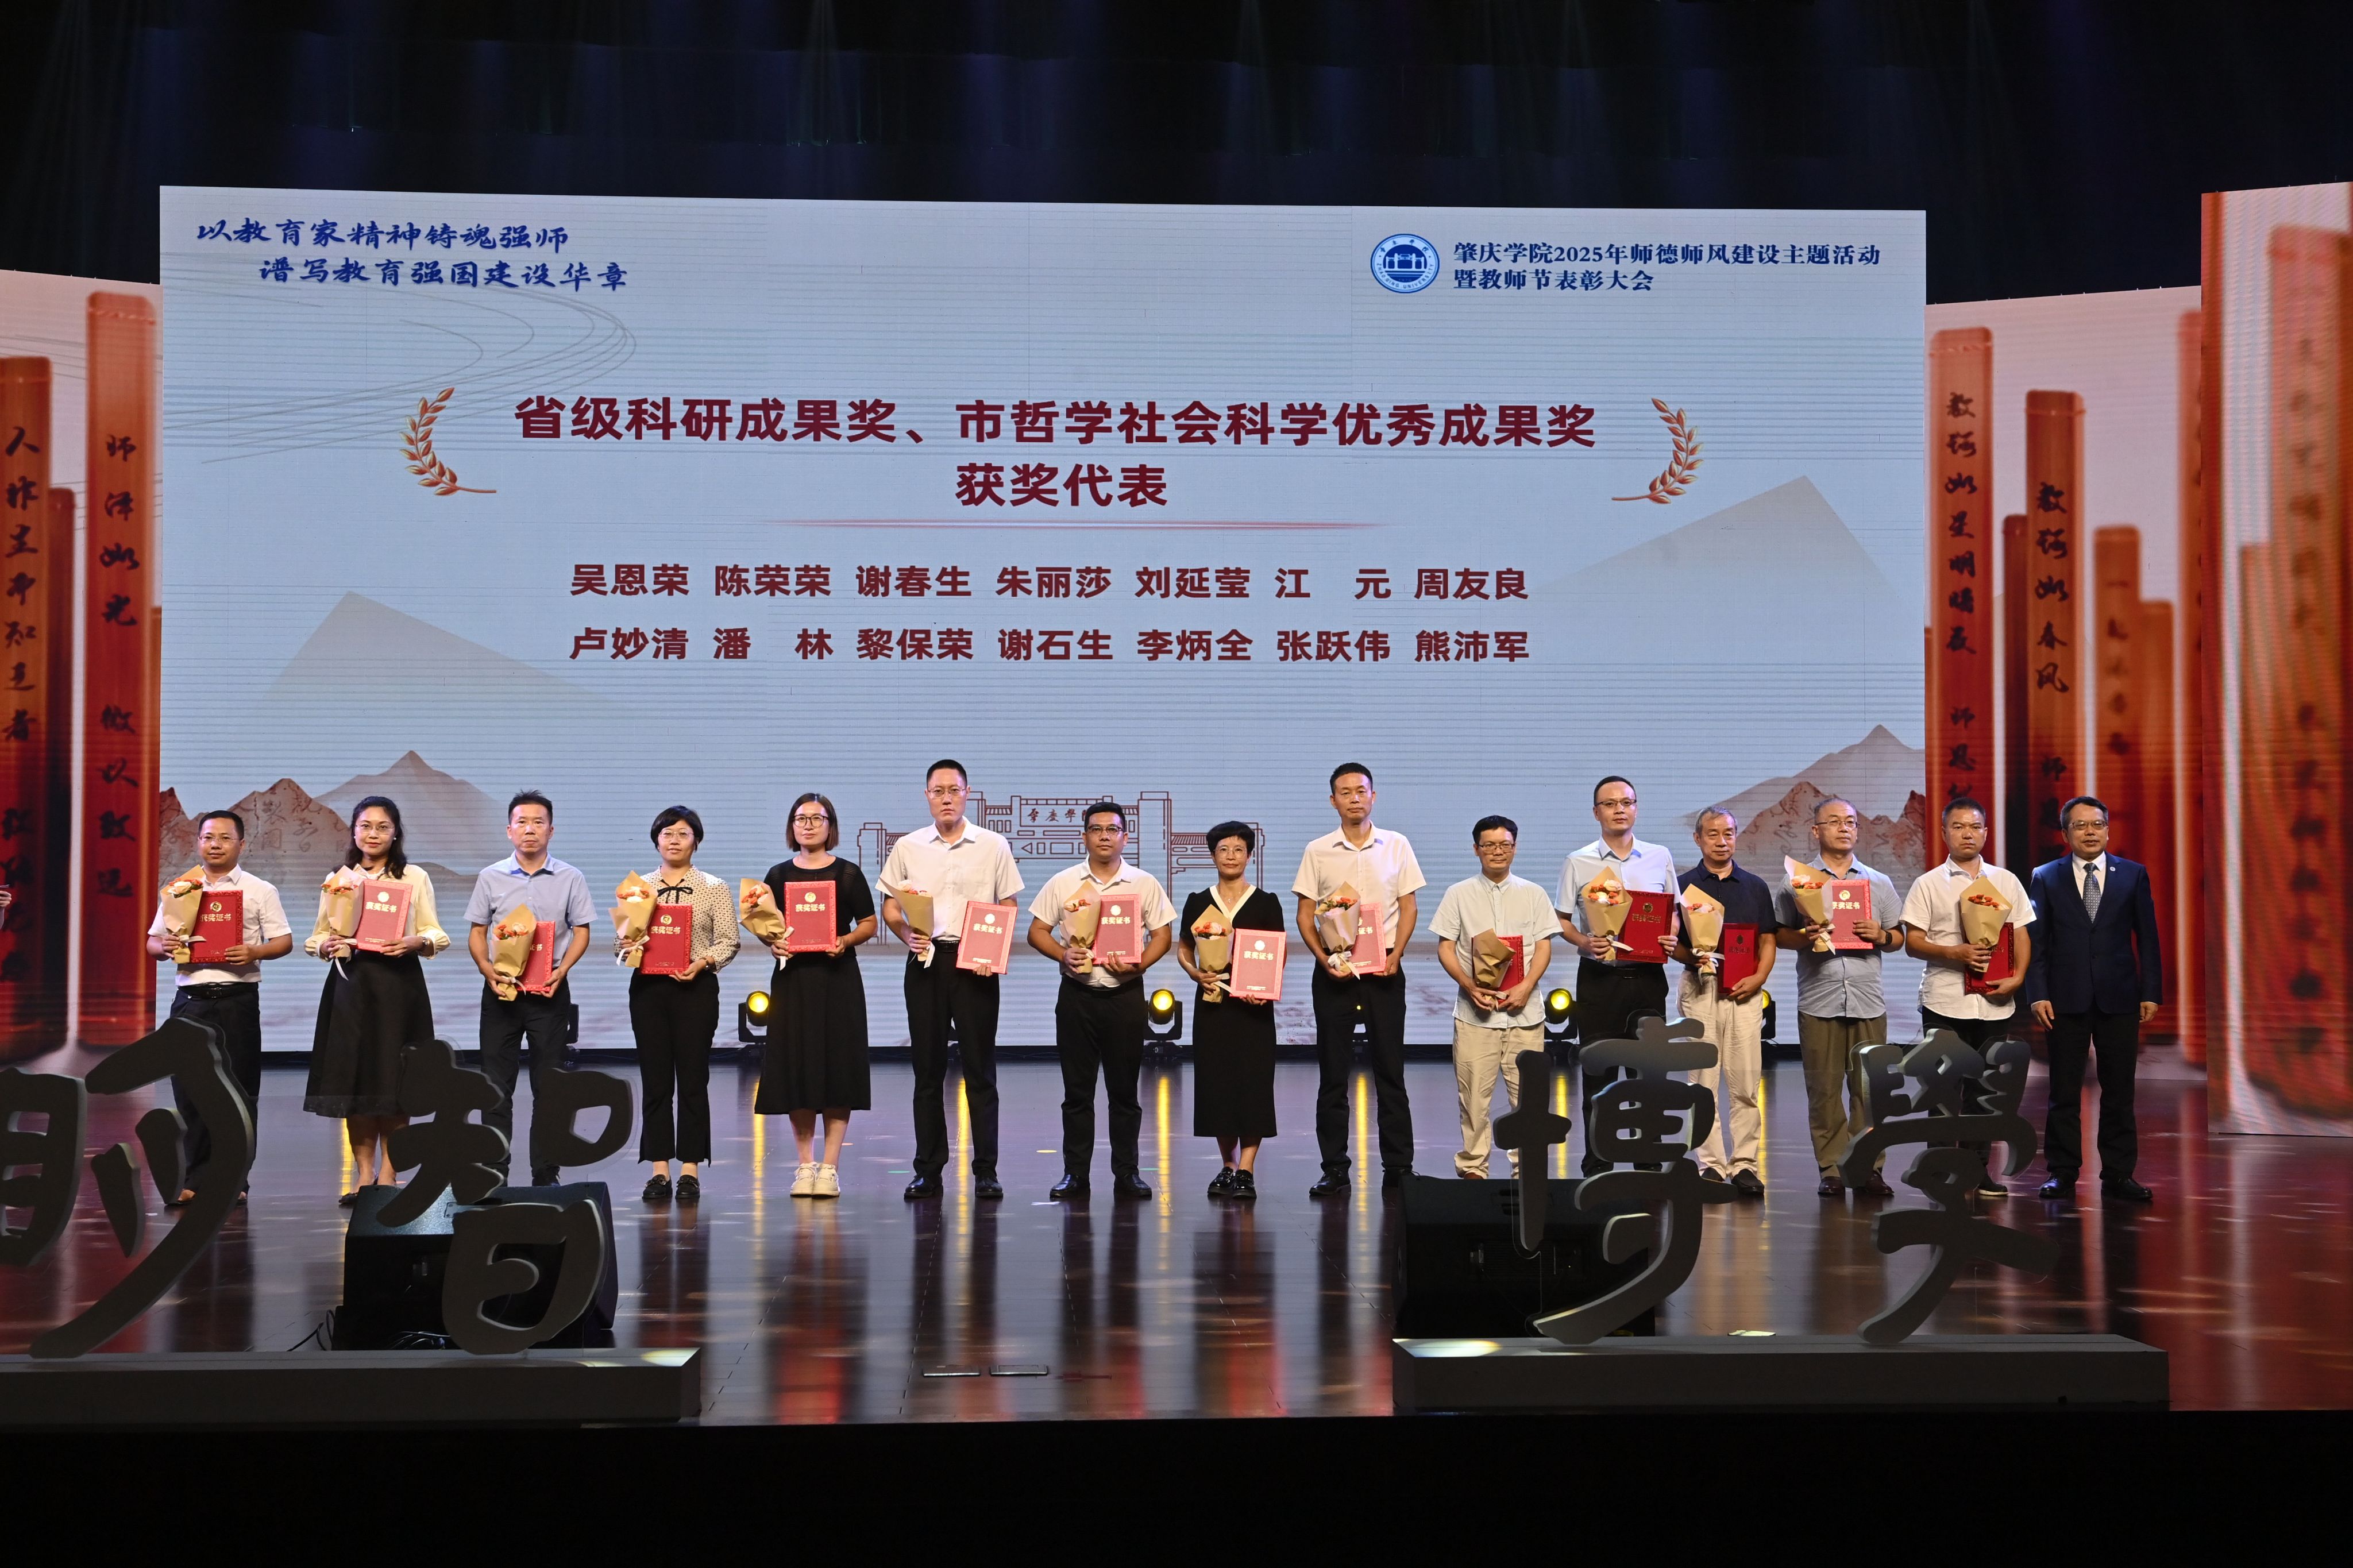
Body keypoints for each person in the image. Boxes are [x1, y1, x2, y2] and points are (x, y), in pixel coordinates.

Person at [880, 759, 1024, 1202]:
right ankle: (928, 1170)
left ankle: (986, 1171)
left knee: (980, 1070)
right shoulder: (908, 846)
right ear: (927, 795)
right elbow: (890, 905)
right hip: (926, 963)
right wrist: (905, 933)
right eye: (938, 790)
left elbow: (1008, 904)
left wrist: (993, 952)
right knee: (928, 1071)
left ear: (968, 794)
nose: (946, 798)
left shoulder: (993, 844)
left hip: (975, 964)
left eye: (954, 790)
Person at [1027, 801, 1177, 1201]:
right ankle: (1075, 1174)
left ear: (1125, 837)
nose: (1105, 836)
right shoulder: (1064, 882)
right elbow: (1037, 931)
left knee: (1124, 1093)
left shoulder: (1143, 883)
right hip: (1077, 996)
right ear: (1085, 837)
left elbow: (1162, 935)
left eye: (1113, 829)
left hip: (1125, 997)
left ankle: (1127, 1173)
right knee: (1077, 1094)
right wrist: (1063, 954)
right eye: (1096, 830)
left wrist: (1139, 964)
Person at [144, 809, 292, 1206]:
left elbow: (284, 941)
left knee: (239, 1092)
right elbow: (153, 943)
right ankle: (194, 1177)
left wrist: (255, 952)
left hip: (237, 1001)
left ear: (241, 844)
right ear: (198, 842)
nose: (215, 844)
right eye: (208, 837)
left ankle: (234, 1179)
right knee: (189, 1092)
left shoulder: (260, 890)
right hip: (191, 1002)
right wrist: (165, 946)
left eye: (225, 838)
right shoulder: (179, 890)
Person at [304, 796, 447, 1206]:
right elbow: (317, 935)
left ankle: (389, 1173)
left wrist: (417, 941)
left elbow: (436, 933)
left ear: (396, 833)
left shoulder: (414, 877)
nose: (373, 834)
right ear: (354, 831)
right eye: (365, 826)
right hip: (351, 987)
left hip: (399, 987)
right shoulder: (339, 879)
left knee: (395, 1081)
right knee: (357, 1082)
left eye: (382, 827)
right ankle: (365, 1174)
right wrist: (325, 946)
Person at [1293, 762, 1425, 1197]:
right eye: (1345, 792)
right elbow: (1305, 915)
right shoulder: (1318, 850)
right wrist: (1323, 959)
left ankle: (1399, 1167)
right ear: (1333, 800)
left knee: (1391, 1071)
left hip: (1384, 969)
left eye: (1361, 791)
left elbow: (1409, 907)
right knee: (1334, 1075)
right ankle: (1334, 1168)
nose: (1354, 798)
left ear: (1374, 796)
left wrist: (1397, 954)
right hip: (1335, 970)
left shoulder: (1396, 845)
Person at [2023, 795, 2162, 1204]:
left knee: (2119, 1091)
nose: (2090, 832)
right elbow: (2037, 943)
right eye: (2080, 825)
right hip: (2064, 1000)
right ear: (2065, 833)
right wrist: (2038, 993)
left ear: (2108, 830)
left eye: (2097, 825)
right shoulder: (2046, 876)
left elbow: (2148, 938)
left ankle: (2119, 1173)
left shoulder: (2133, 874)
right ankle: (2062, 1172)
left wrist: (2151, 991)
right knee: (2063, 1092)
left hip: (2120, 997)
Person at [1900, 795, 2034, 1199]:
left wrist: (2018, 978)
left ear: (1986, 833)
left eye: (1975, 827)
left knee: (1985, 1091)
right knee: (1942, 1090)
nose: (1967, 834)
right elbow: (1913, 943)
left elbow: (2021, 934)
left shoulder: (2005, 881)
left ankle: (1977, 1171)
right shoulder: (1928, 884)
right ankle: (1941, 1170)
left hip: (1995, 1002)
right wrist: (1954, 953)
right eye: (1958, 827)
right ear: (1944, 833)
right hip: (1945, 1001)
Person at [464, 791, 596, 1188]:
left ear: (551, 831)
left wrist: (563, 969)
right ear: (509, 830)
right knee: (494, 1087)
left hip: (549, 993)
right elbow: (477, 931)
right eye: (522, 822)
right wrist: (487, 969)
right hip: (501, 993)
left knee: (550, 1087)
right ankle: (493, 1171)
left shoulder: (571, 877)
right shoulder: (490, 877)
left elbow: (582, 930)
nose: (530, 829)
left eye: (539, 822)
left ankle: (546, 1173)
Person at [1773, 796, 1903, 1199]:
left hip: (1868, 999)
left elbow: (1899, 937)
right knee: (1824, 1091)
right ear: (1816, 831)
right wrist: (1805, 936)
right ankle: (1830, 1168)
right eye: (1834, 822)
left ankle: (1868, 1168)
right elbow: (1780, 935)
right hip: (1819, 998)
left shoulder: (1879, 883)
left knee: (1869, 1091)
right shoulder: (1797, 882)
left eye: (1850, 821)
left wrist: (1882, 935)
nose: (1844, 828)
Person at [1556, 775, 1681, 1176]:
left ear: (1636, 808)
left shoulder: (1659, 856)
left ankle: (1648, 1163)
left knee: (1649, 1075)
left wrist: (1671, 934)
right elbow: (1561, 920)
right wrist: (1583, 941)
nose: (1619, 809)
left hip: (1647, 980)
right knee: (1599, 1075)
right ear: (1597, 813)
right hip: (1599, 981)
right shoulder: (1578, 861)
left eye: (1627, 802)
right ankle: (1599, 1164)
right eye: (1610, 804)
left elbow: (1674, 912)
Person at [755, 791, 877, 1199]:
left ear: (830, 826)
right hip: (793, 982)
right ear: (792, 827)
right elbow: (767, 926)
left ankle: (830, 1167)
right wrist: (772, 943)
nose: (808, 825)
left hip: (838, 980)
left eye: (817, 818)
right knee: (798, 1068)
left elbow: (869, 923)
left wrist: (845, 940)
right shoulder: (777, 876)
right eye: (801, 818)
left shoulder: (847, 873)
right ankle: (805, 1165)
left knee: (838, 1068)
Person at [616, 805, 739, 1205]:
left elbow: (729, 940)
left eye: (683, 833)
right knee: (655, 1081)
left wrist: (702, 962)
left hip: (695, 990)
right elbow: (623, 944)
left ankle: (690, 1169)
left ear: (696, 842)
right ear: (656, 840)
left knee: (692, 1080)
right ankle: (658, 1170)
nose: (674, 840)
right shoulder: (638, 888)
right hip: (648, 992)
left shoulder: (714, 887)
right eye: (667, 833)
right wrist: (629, 945)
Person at [1430, 815, 1556, 1179]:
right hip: (1476, 1015)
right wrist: (1468, 985)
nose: (1497, 852)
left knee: (1529, 1099)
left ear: (1515, 847)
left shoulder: (1533, 893)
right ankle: (1474, 1166)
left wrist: (1527, 985)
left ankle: (1526, 1168)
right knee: (1473, 1098)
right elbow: (1446, 947)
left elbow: (1543, 946)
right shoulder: (1458, 893)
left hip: (1525, 1014)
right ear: (1476, 850)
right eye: (1489, 845)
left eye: (1505, 845)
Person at [1671, 808, 1778, 1196]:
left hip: (1744, 991)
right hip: (1700, 989)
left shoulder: (1755, 886)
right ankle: (1711, 1165)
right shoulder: (1683, 886)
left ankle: (1745, 1164)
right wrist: (1691, 956)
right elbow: (1673, 945)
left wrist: (1759, 979)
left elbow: (1768, 940)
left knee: (1746, 1081)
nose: (1722, 841)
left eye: (1728, 833)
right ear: (1698, 839)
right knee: (1703, 1082)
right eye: (1713, 834)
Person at [1175, 821, 1282, 1200]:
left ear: (1250, 856)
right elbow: (1184, 947)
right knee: (1217, 1084)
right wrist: (1194, 973)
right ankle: (1227, 1164)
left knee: (1253, 1085)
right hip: (1213, 1004)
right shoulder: (1197, 901)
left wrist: (1264, 990)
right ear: (1213, 856)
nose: (1231, 856)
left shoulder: (1266, 902)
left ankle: (1247, 1168)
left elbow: (1276, 952)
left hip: (1254, 1010)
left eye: (1239, 850)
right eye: (1223, 850)